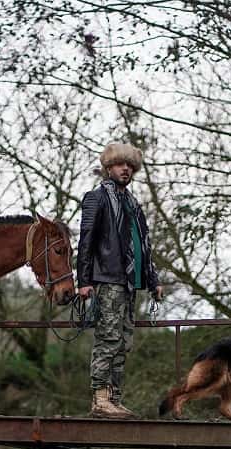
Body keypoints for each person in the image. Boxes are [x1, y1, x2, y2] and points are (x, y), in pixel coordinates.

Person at [77, 143, 164, 419]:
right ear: (108, 167)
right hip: (107, 280)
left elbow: (143, 246)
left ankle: (114, 398)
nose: (125, 169)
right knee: (108, 339)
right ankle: (100, 399)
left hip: (129, 283)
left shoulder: (132, 203)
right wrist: (84, 280)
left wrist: (153, 280)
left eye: (130, 166)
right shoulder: (97, 198)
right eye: (119, 164)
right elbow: (86, 241)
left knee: (123, 342)